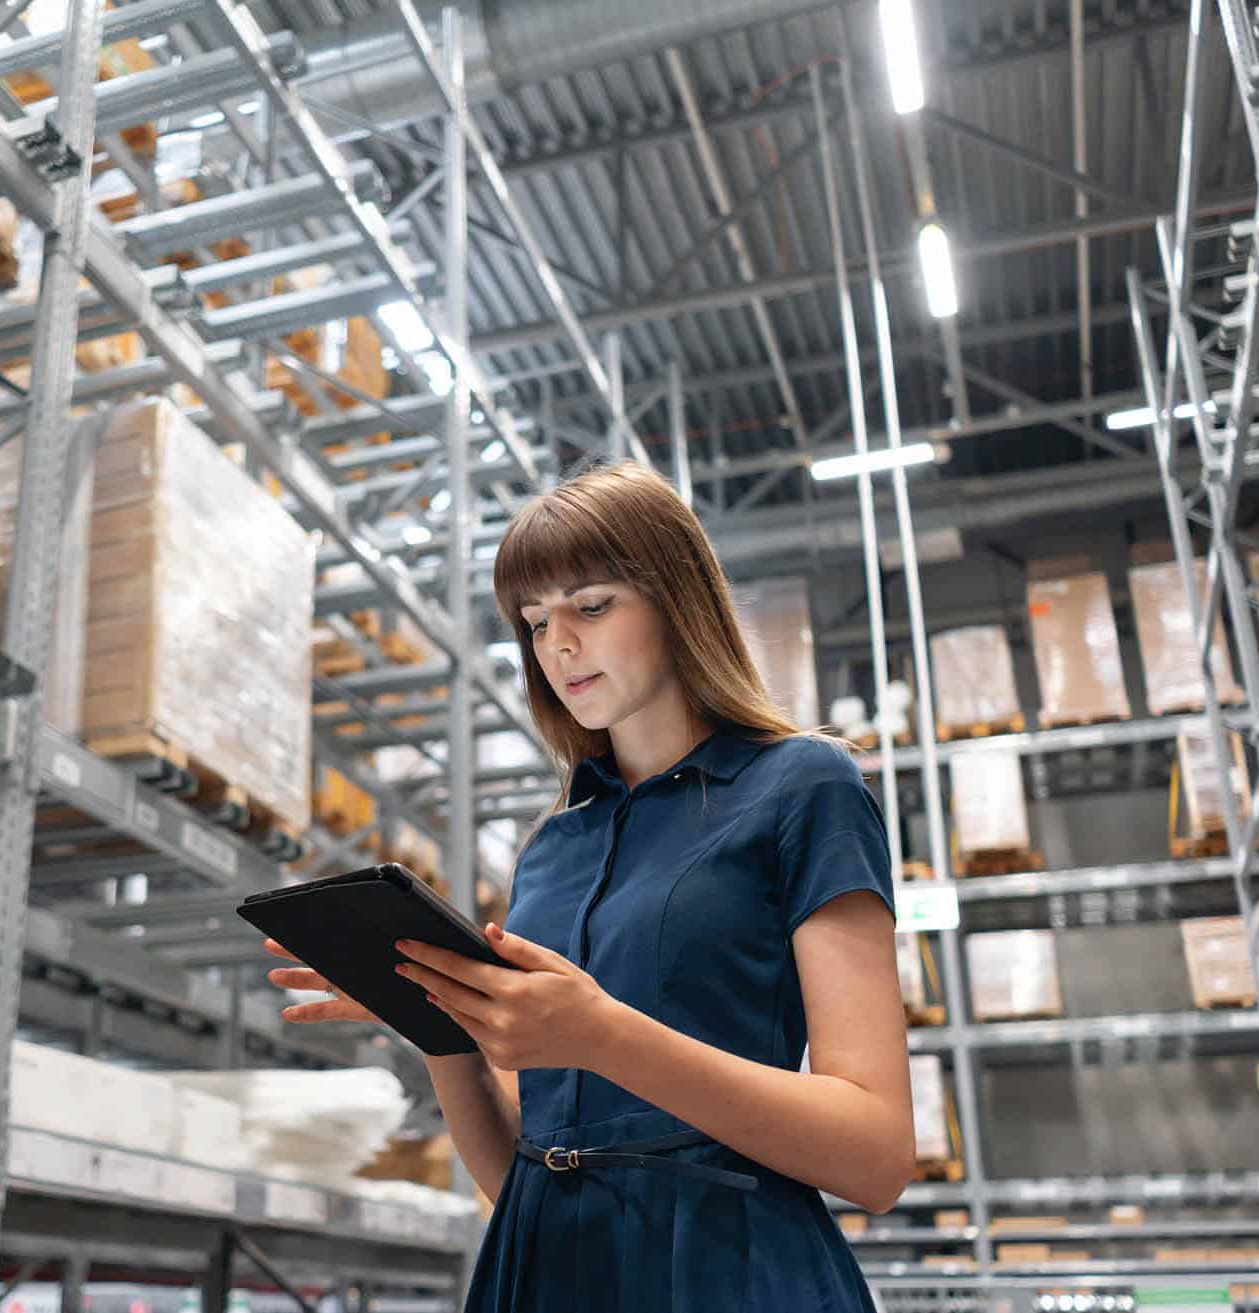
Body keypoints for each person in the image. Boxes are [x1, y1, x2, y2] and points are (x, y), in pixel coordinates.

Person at [264, 460, 913, 1311]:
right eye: (533, 622)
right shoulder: (551, 849)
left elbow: (875, 1153)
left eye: (592, 605)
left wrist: (601, 1034)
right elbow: (521, 1172)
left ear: (680, 600)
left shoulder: (804, 787)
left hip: (728, 1275)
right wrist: (437, 1020)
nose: (557, 643)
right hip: (541, 1273)